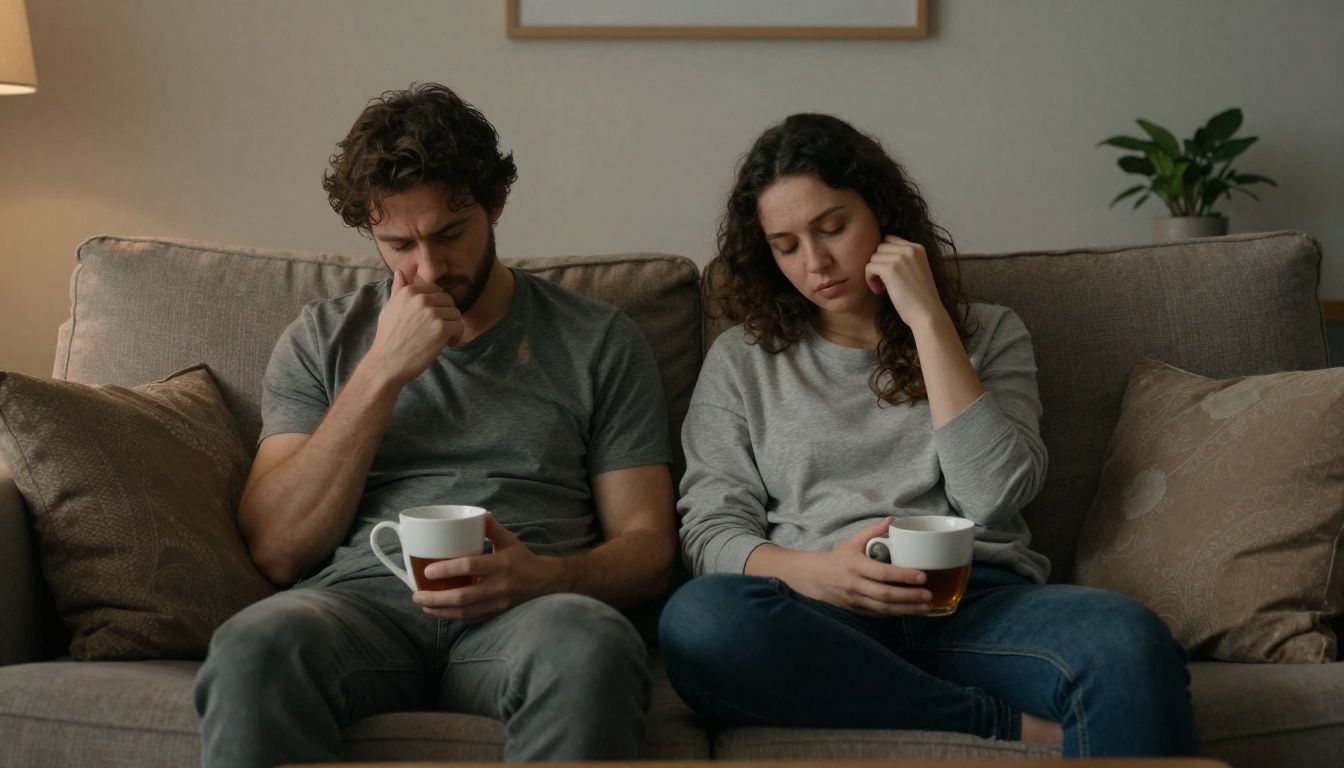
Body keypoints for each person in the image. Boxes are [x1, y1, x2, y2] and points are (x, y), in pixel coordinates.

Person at [658, 113, 1199, 757]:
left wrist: (928, 321)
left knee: (1128, 640)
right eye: (786, 245)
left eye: (832, 228)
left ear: (882, 215)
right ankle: (993, 722)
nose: (816, 262)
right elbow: (710, 531)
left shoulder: (990, 333)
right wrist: (823, 575)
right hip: (821, 619)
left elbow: (992, 495)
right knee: (700, 621)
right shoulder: (742, 361)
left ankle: (907, 697)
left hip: (976, 606)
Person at [193, 83, 678, 766]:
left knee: (589, 645)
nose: (428, 267)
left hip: (528, 614)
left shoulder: (598, 341)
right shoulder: (322, 338)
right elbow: (277, 549)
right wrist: (382, 371)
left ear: (495, 203)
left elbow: (650, 549)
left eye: (450, 234)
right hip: (360, 612)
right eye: (398, 244)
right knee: (252, 647)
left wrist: (545, 576)